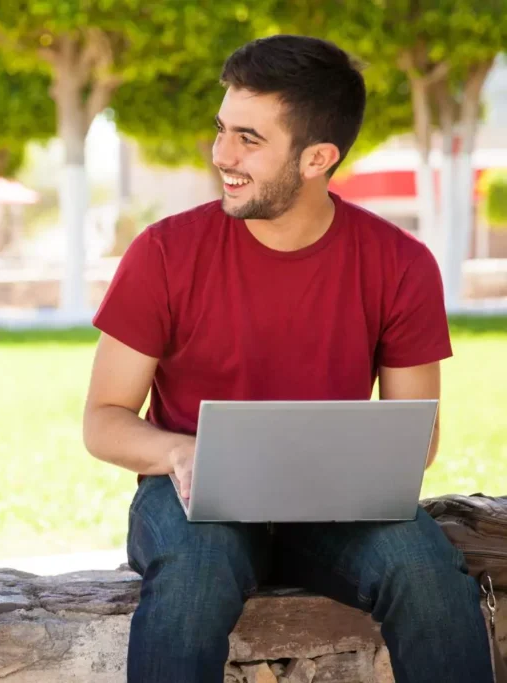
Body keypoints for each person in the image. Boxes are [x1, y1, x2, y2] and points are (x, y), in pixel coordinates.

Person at [82, 35, 494, 683]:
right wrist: (178, 453)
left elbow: (418, 434)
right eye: (222, 129)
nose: (222, 154)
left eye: (249, 138)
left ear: (317, 157)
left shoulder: (400, 264)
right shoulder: (164, 252)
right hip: (192, 502)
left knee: (423, 566)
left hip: (336, 507)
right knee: (194, 572)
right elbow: (103, 419)